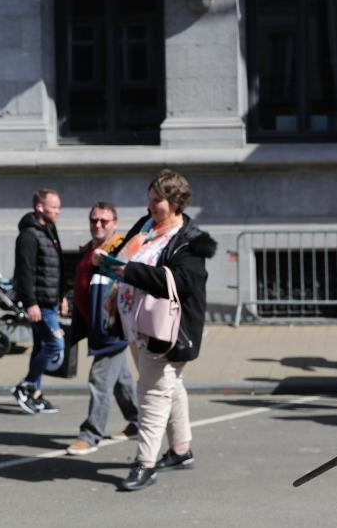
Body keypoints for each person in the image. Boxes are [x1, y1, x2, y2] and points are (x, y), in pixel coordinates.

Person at [99, 169, 216, 492]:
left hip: (165, 329)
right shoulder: (147, 225)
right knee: (169, 386)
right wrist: (108, 265)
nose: (151, 206)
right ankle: (181, 450)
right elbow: (125, 255)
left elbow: (182, 282)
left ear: (176, 202)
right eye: (149, 199)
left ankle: (145, 464)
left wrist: (129, 272)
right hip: (136, 324)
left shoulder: (191, 240)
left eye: (158, 201)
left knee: (152, 393)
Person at [65, 201, 139, 455]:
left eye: (103, 221)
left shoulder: (119, 249)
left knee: (99, 379)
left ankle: (90, 435)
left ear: (114, 224)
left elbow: (124, 281)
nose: (98, 225)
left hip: (112, 327)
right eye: (94, 220)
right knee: (121, 379)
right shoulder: (91, 248)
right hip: (96, 326)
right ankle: (138, 421)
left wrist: (104, 262)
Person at [10, 189, 66, 415]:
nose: (58, 211)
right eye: (54, 207)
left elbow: (57, 266)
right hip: (39, 303)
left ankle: (35, 394)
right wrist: (30, 302)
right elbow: (24, 271)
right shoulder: (28, 235)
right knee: (55, 345)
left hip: (50, 300)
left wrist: (62, 296)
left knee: (41, 346)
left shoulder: (49, 230)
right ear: (40, 207)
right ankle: (26, 385)